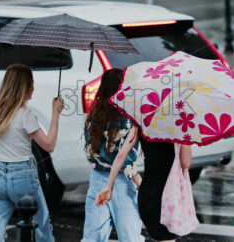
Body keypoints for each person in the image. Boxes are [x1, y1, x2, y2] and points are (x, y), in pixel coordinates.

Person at [0, 64, 64, 242]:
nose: (34, 86)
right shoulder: (27, 115)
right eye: (31, 83)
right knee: (42, 225)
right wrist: (55, 115)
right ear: (24, 87)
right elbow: (48, 145)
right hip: (23, 176)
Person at [82, 68, 145, 242]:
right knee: (130, 236)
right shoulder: (126, 120)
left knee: (92, 236)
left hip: (97, 178)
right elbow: (126, 162)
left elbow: (89, 152)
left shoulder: (93, 117)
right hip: (121, 182)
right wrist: (142, 187)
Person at [97, 137, 192, 242]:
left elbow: (121, 156)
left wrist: (109, 187)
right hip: (169, 196)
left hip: (147, 193)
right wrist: (185, 141)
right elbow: (186, 163)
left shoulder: (142, 122)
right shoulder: (177, 128)